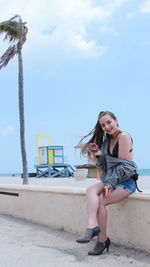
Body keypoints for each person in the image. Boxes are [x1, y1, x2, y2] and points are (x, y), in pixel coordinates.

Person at [76, 111, 138, 256]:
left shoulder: (124, 136)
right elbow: (105, 167)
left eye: (109, 122)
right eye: (103, 125)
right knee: (91, 190)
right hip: (111, 179)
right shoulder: (106, 142)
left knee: (101, 201)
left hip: (126, 181)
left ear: (116, 121)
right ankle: (92, 227)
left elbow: (124, 167)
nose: (107, 127)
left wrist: (109, 184)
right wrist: (98, 153)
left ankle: (102, 241)